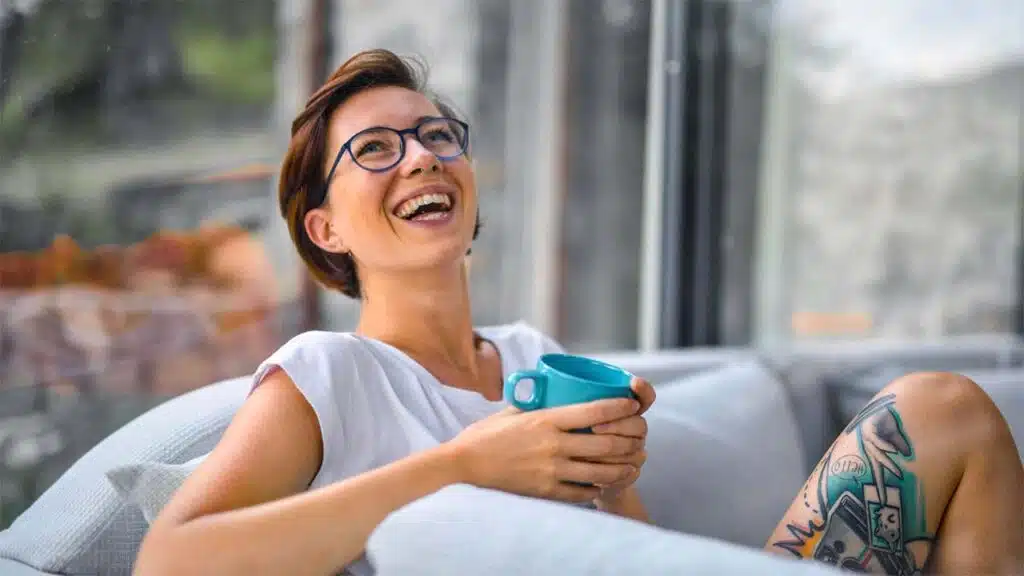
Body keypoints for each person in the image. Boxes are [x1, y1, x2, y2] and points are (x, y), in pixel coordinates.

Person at [135, 49, 1023, 576]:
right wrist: (463, 466)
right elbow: (167, 562)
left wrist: (615, 477)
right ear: (325, 226)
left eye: (438, 136)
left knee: (945, 412)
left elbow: (623, 552)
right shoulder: (328, 373)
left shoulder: (532, 356)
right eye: (376, 148)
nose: (420, 158)